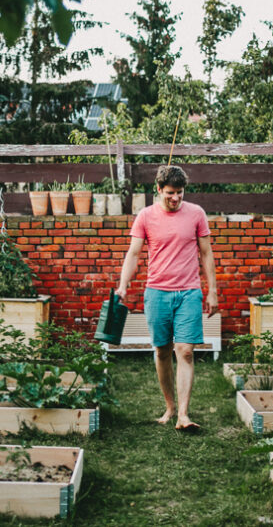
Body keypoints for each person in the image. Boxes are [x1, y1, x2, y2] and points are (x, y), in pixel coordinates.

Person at [115, 164, 217, 431]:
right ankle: (170, 406)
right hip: (157, 293)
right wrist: (123, 285)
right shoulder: (145, 216)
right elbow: (134, 254)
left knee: (184, 351)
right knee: (161, 351)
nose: (175, 198)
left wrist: (213, 291)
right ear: (159, 189)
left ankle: (183, 415)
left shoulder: (196, 214)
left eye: (180, 193)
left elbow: (206, 253)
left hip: (189, 293)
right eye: (170, 193)